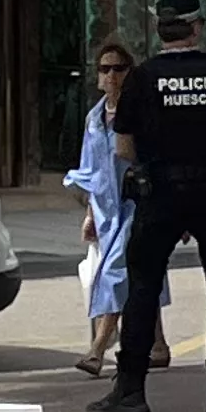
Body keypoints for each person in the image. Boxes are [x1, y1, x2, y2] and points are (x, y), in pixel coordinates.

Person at [96, 0, 206, 412]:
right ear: (197, 27)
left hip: (159, 195)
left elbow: (123, 148)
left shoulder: (143, 78)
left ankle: (130, 390)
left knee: (143, 287)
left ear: (160, 29)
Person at [67, 42, 172, 377]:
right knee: (142, 274)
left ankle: (97, 350)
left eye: (118, 68)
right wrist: (89, 215)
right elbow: (90, 168)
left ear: (131, 72)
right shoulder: (94, 118)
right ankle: (158, 345)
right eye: (104, 69)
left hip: (136, 204)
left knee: (116, 274)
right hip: (105, 210)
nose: (111, 76)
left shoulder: (143, 113)